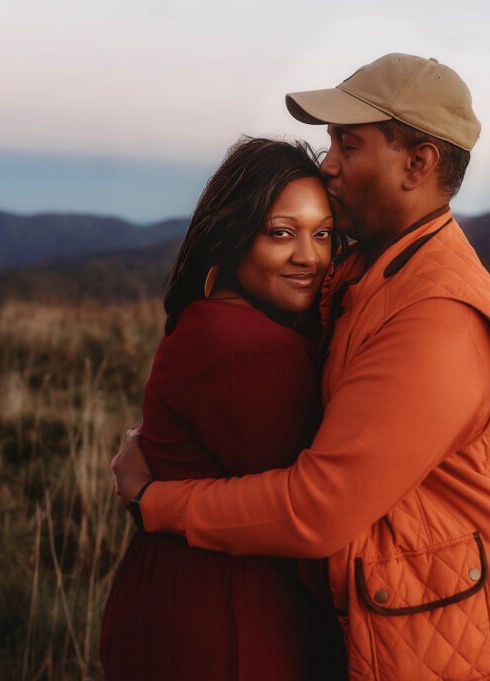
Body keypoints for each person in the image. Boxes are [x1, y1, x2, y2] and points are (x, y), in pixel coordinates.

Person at [114, 54, 490, 680]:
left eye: (348, 145)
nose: (327, 164)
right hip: (411, 618)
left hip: (452, 642)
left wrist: (154, 501)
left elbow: (319, 509)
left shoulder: (437, 314)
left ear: (419, 163)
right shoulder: (372, 271)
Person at [99, 137, 346, 681]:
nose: (310, 256)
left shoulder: (206, 319)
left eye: (323, 233)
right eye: (281, 233)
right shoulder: (254, 350)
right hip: (230, 625)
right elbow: (304, 522)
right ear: (233, 234)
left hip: (170, 598)